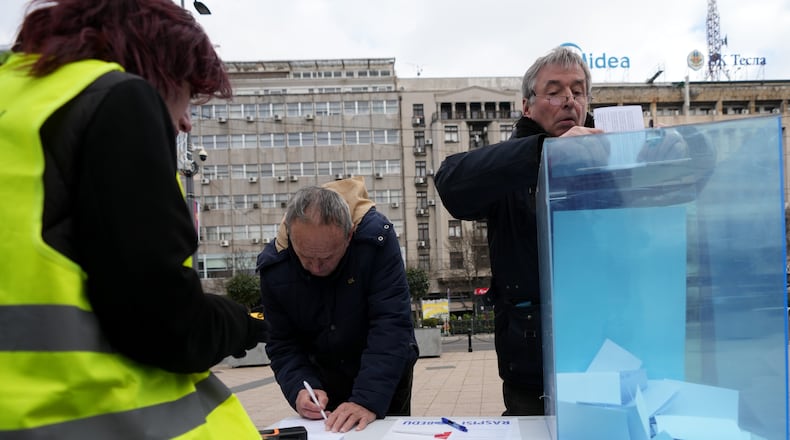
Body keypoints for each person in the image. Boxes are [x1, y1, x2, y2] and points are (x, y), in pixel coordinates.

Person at [0, 0, 267, 438]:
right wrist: (243, 323)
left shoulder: (17, 103)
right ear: (157, 65)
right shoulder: (115, 98)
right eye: (187, 92)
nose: (185, 122)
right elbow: (165, 322)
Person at [433, 46, 606, 416]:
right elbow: (450, 183)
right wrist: (544, 153)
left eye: (578, 91)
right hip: (531, 365)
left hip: (606, 354)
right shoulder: (512, 164)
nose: (568, 101)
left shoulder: (610, 154)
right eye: (554, 91)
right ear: (527, 106)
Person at [257, 179, 419, 433]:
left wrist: (367, 399)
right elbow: (282, 342)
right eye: (306, 257)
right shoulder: (275, 266)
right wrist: (300, 387)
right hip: (321, 376)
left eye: (327, 257)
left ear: (350, 235)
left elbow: (391, 323)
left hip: (383, 373)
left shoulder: (375, 241)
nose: (316, 267)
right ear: (291, 235)